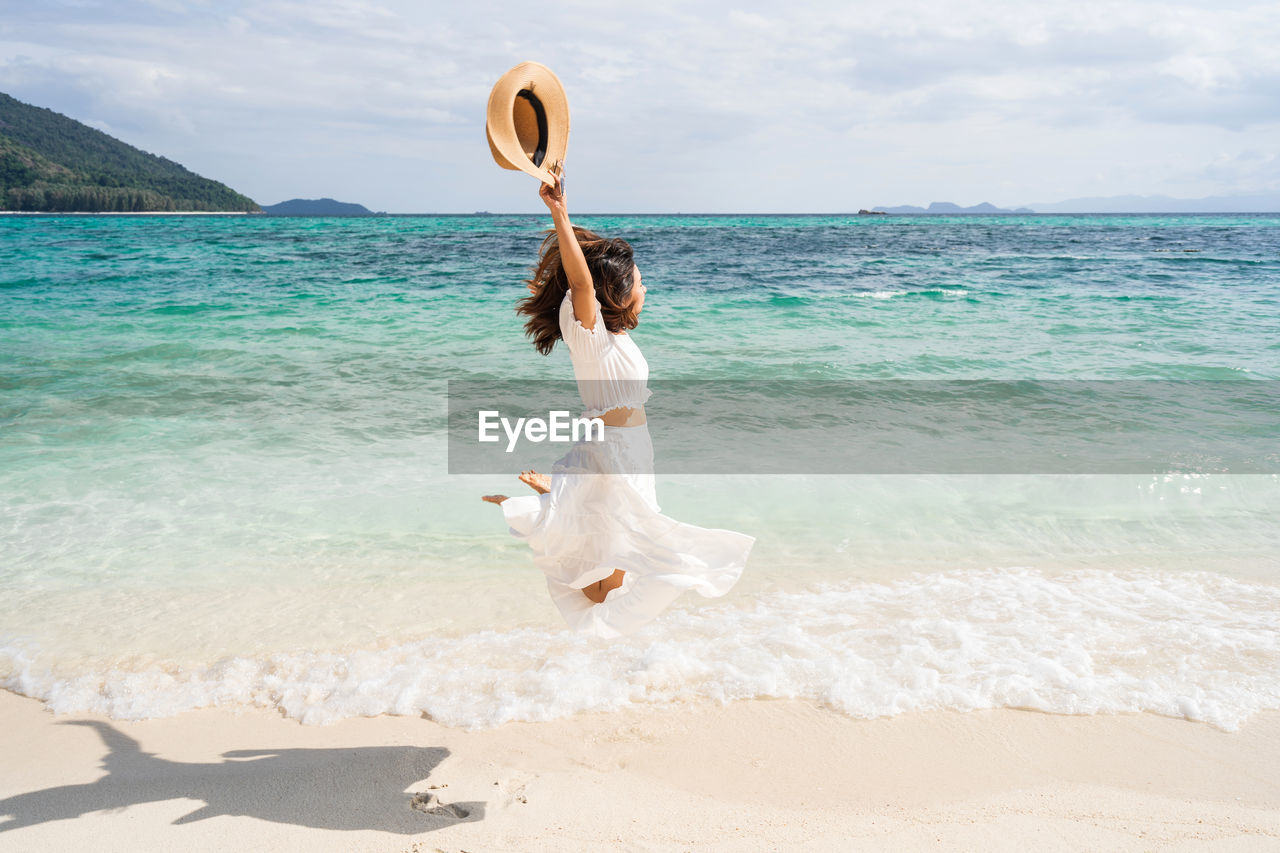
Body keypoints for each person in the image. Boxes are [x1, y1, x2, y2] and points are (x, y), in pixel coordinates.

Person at [482, 172, 754, 638]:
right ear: (617, 294)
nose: (645, 290)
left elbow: (593, 285)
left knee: (613, 570)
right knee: (636, 562)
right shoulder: (589, 337)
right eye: (640, 283)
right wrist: (559, 212)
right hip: (612, 452)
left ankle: (560, 499)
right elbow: (583, 286)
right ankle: (553, 504)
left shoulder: (616, 337)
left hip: (632, 449)